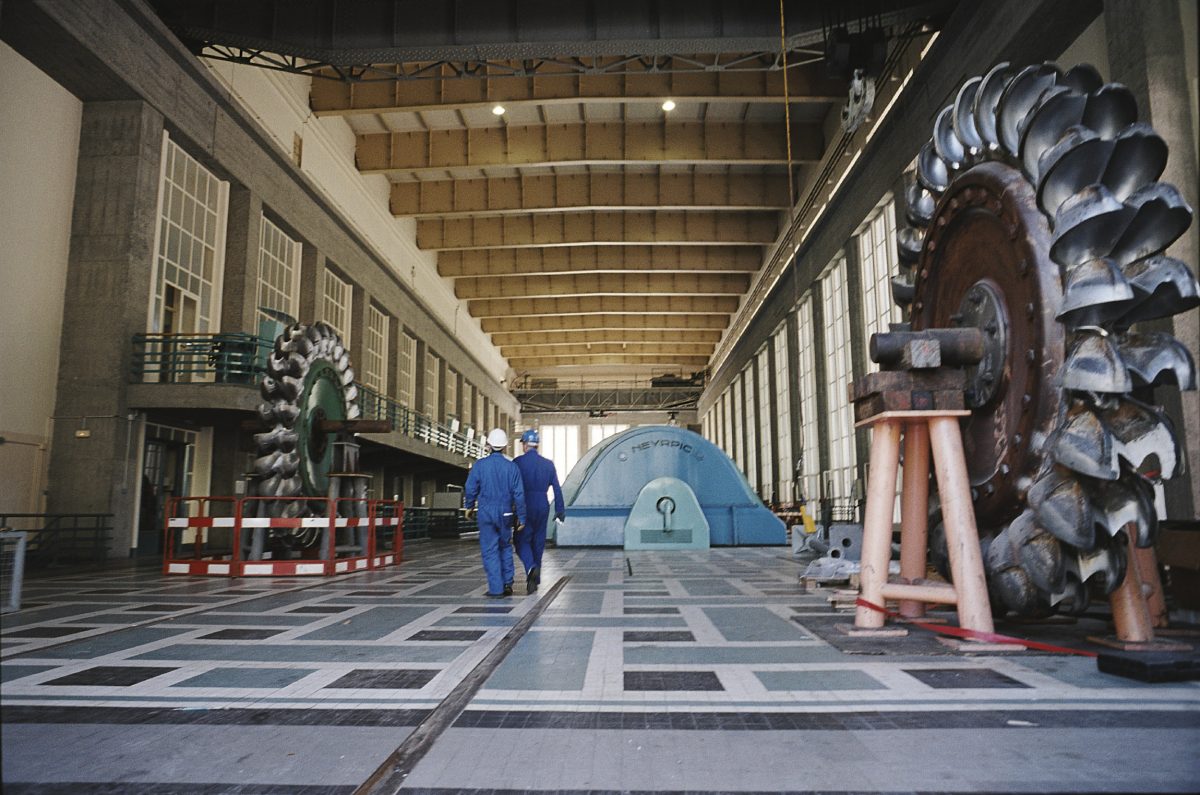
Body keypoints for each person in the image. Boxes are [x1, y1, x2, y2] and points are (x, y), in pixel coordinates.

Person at [463, 428, 527, 598]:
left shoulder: (480, 466)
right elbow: (519, 494)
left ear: (489, 445)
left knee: (490, 549)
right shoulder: (512, 467)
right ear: (505, 446)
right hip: (506, 513)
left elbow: (470, 488)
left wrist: (469, 506)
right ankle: (507, 583)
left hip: (486, 513)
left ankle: (496, 589)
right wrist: (521, 517)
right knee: (505, 546)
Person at [513, 428, 565, 592]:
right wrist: (560, 510)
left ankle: (530, 567)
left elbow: (511, 487)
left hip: (524, 504)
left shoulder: (518, 463)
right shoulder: (548, 464)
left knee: (521, 540)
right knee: (538, 541)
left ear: (525, 445)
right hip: (543, 504)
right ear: (537, 445)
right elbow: (557, 488)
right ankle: (535, 579)